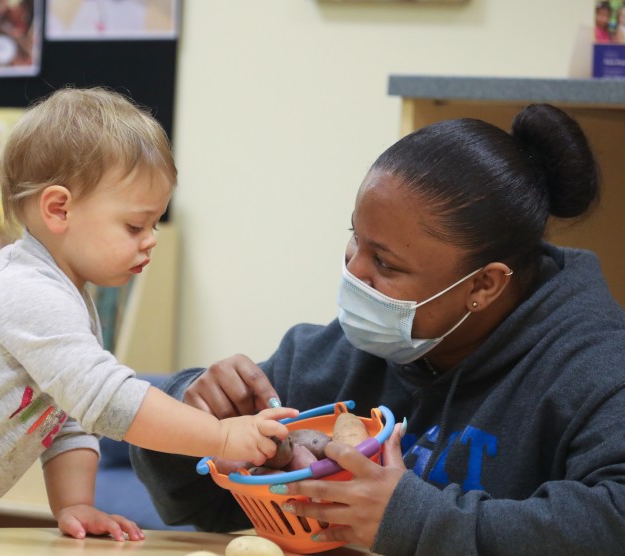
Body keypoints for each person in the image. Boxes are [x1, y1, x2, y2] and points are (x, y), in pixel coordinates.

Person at [130, 103, 625, 555]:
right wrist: (192, 415)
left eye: (385, 263)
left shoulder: (595, 364)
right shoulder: (336, 354)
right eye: (355, 238)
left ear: (485, 284)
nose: (353, 272)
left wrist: (417, 521)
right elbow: (203, 506)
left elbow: (612, 520)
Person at [0, 87, 297, 540]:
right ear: (59, 209)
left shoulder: (71, 301)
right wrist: (218, 439)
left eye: (155, 224)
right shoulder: (27, 290)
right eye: (134, 225)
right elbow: (107, 401)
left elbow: (69, 419)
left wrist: (76, 505)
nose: (151, 239)